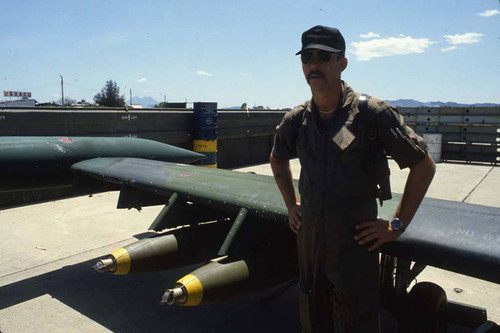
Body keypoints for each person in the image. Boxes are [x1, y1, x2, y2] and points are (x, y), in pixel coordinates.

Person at [270, 25, 436, 332]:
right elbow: (277, 159)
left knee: (356, 317)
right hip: (310, 242)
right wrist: (291, 205)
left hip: (354, 243)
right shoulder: (297, 119)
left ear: (342, 63)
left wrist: (396, 225)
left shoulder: (372, 114)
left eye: (323, 57)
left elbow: (424, 166)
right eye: (307, 57)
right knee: (312, 314)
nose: (314, 64)